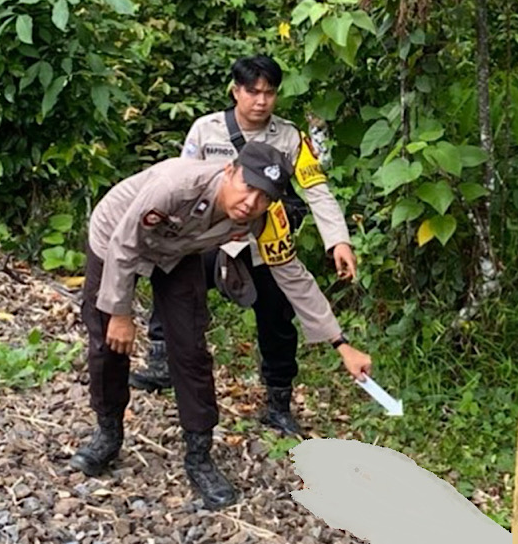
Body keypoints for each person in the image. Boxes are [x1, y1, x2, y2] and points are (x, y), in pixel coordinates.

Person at [71, 141, 372, 510]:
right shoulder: (176, 186)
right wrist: (120, 313)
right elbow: (124, 243)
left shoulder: (262, 218)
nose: (250, 203)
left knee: (191, 348)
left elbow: (292, 274)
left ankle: (199, 454)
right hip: (116, 238)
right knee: (108, 341)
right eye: (247, 186)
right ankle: (108, 433)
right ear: (230, 171)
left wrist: (340, 343)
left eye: (264, 197)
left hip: (178, 251)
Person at [130, 55, 358, 437]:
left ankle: (278, 401)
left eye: (269, 93)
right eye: (253, 92)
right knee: (173, 279)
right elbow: (182, 179)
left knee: (278, 315)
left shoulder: (289, 138)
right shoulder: (206, 130)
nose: (261, 101)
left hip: (262, 240)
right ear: (236, 91)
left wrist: (338, 240)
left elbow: (316, 189)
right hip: (208, 237)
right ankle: (160, 360)